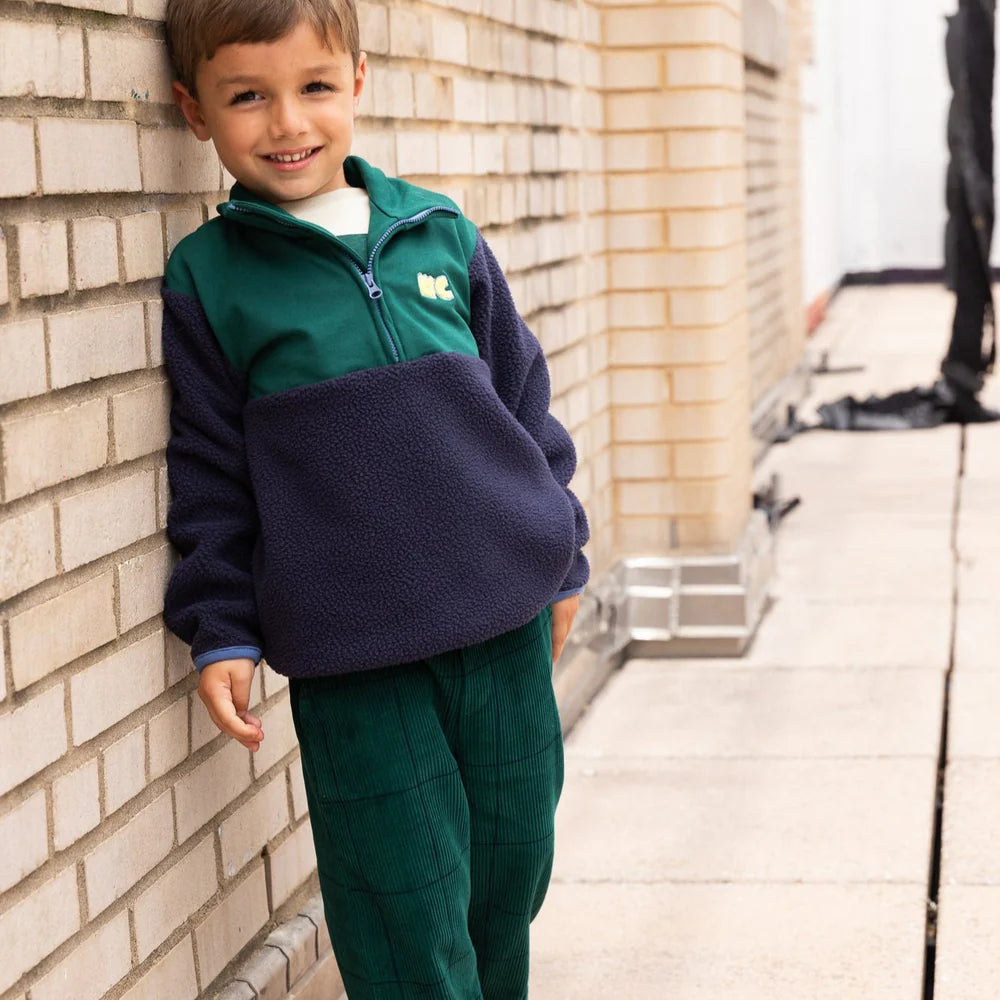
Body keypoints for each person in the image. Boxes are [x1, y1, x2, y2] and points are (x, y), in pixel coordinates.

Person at [160, 1, 590, 997]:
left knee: (511, 864)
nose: (286, 123)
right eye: (247, 98)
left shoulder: (438, 234)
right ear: (194, 112)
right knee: (402, 902)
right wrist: (221, 627)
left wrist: (559, 552)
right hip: (356, 652)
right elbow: (211, 475)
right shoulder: (212, 278)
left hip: (502, 620)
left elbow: (524, 407)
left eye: (313, 87)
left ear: (356, 79)